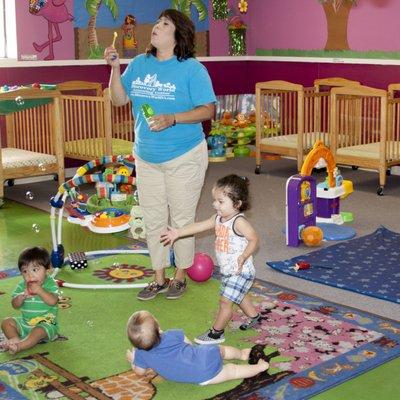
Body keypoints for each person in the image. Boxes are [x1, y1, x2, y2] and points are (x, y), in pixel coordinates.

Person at [104, 9, 216, 301]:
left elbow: (208, 110)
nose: (156, 27)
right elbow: (118, 99)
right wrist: (115, 68)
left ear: (178, 36)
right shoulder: (139, 64)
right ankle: (158, 277)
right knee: (153, 218)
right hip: (146, 155)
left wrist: (173, 118)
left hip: (184, 155)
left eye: (164, 24)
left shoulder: (192, 69)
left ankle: (179, 276)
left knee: (180, 218)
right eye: (156, 22)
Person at [161, 174, 261, 345]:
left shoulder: (239, 222)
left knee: (225, 302)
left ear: (237, 204)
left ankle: (216, 333)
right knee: (238, 294)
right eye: (215, 200)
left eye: (220, 201)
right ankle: (254, 316)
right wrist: (178, 233)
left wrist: (244, 256)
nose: (215, 204)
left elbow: (254, 239)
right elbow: (199, 226)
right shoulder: (218, 218)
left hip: (241, 270)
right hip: (229, 270)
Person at [126, 310, 268, 385]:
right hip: (203, 356)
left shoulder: (141, 354)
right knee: (222, 351)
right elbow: (189, 344)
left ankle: (259, 368)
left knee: (233, 371)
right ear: (158, 327)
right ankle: (242, 354)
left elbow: (139, 372)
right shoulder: (172, 334)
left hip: (202, 376)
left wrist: (133, 360)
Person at [0, 247, 59, 354]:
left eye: (35, 270)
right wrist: (20, 298)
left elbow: (53, 301)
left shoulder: (50, 283)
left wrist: (40, 290)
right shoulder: (22, 286)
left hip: (45, 324)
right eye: (25, 271)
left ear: (47, 268)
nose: (30, 275)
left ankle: (19, 346)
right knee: (6, 322)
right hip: (25, 323)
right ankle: (15, 338)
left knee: (37, 331)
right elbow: (15, 305)